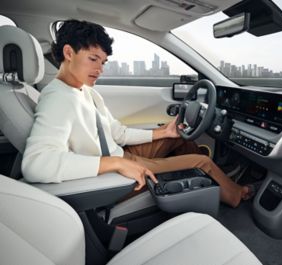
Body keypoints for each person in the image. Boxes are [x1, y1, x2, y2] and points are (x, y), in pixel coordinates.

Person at [22, 19, 251, 208]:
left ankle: (210, 180)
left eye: (103, 62)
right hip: (112, 173)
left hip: (118, 152)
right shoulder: (58, 98)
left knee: (177, 135)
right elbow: (36, 164)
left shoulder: (84, 91)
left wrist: (163, 132)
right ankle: (234, 193)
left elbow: (117, 132)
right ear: (69, 53)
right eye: (93, 59)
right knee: (202, 162)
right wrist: (114, 164)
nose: (100, 69)